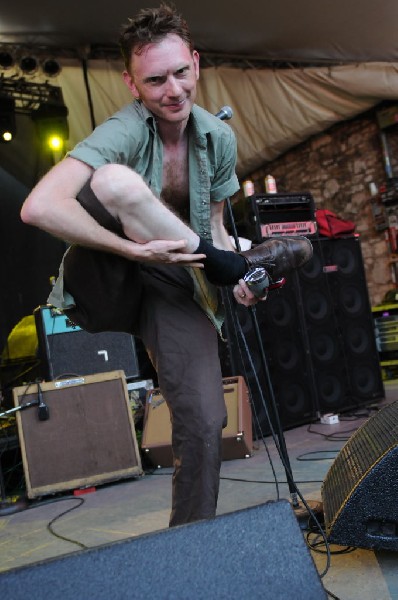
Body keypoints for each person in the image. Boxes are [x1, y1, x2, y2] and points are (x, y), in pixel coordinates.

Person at [20, 4, 312, 526]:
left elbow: (218, 228)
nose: (173, 90)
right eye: (155, 80)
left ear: (196, 64)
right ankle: (223, 264)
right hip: (108, 270)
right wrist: (133, 249)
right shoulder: (125, 129)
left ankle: (190, 545)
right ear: (133, 85)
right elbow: (38, 207)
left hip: (175, 275)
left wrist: (240, 281)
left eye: (181, 73)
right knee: (113, 182)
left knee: (205, 419)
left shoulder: (218, 139)